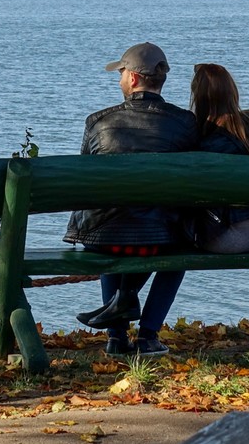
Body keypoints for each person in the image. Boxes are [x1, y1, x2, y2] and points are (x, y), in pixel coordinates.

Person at [63, 42, 198, 356]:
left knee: (115, 226)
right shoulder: (185, 124)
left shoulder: (98, 122)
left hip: (104, 238)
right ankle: (148, 336)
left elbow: (85, 181)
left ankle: (116, 336)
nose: (119, 79)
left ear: (134, 79)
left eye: (121, 73)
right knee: (175, 251)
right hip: (163, 237)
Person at [188, 63, 249, 254]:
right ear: (231, 92)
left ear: (198, 98)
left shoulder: (209, 143)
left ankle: (130, 285)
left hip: (226, 238)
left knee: (172, 233)